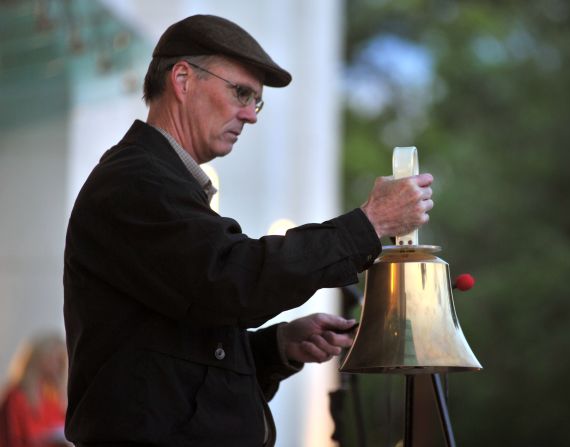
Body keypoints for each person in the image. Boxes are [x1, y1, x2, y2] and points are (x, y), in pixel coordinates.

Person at [63, 14, 434, 447]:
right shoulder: (137, 182)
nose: (250, 115)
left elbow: (178, 361)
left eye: (255, 101)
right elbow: (229, 280)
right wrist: (369, 224)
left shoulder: (154, 181)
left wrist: (278, 346)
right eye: (241, 93)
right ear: (182, 80)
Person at [0, 333, 70, 447]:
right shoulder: (15, 397)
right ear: (41, 357)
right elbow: (10, 441)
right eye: (58, 359)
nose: (61, 366)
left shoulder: (52, 399)